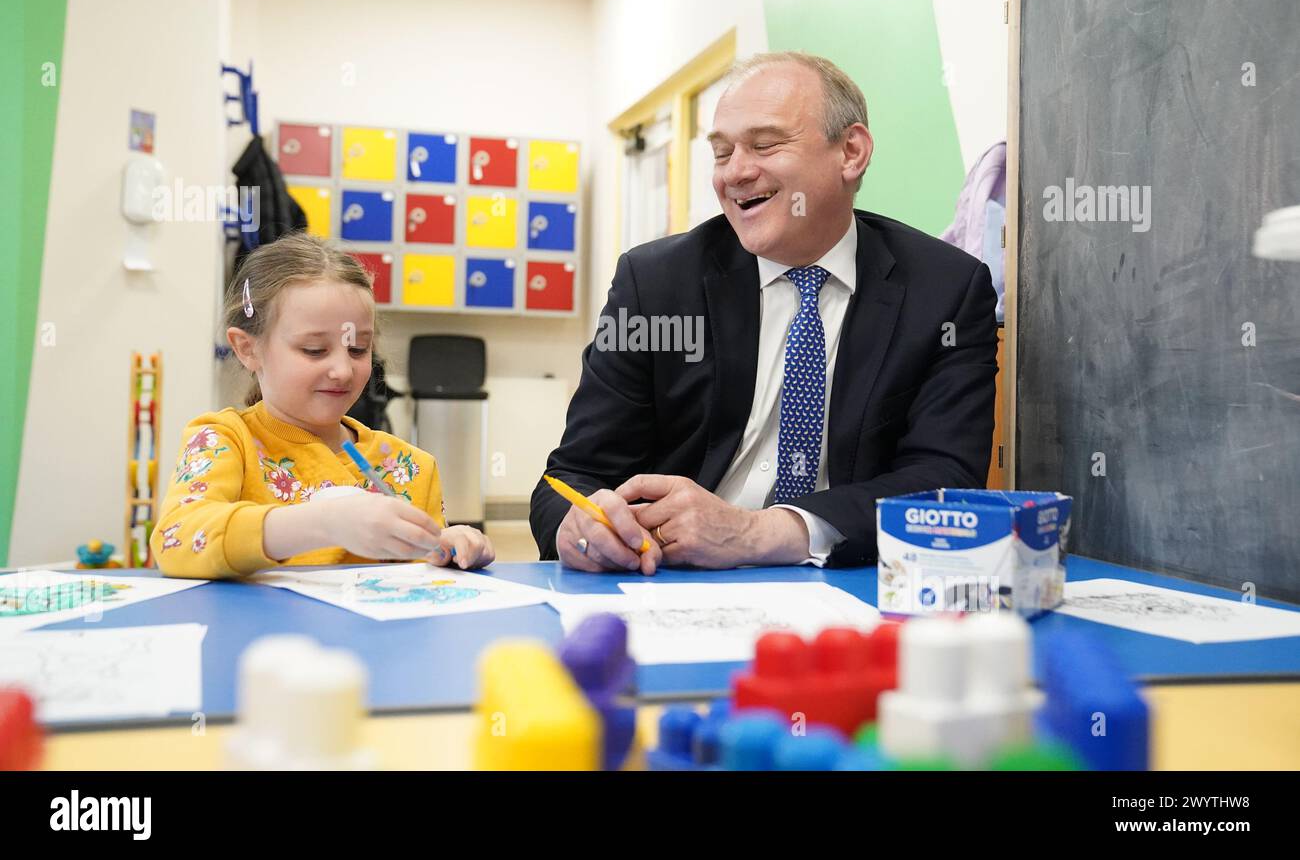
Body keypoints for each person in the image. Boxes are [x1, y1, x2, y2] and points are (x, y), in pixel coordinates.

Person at [530, 51, 998, 574]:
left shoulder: (945, 290)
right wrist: (579, 527)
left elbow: (945, 481)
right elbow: (572, 476)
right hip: (671, 582)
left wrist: (761, 533)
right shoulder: (656, 285)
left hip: (849, 583)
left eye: (764, 145)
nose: (735, 173)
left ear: (851, 152)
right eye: (722, 152)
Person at [151, 232, 494, 579]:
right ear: (247, 348)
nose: (343, 370)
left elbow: (424, 578)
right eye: (314, 350)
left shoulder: (411, 466)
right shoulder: (224, 440)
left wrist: (448, 548)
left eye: (358, 349)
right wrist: (323, 524)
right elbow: (176, 540)